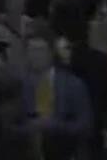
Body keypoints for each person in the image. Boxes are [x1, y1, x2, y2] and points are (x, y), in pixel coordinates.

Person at [22, 31, 94, 160]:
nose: (35, 55)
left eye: (40, 50)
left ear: (51, 53)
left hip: (64, 149)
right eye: (31, 50)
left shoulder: (73, 84)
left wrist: (54, 125)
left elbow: (85, 125)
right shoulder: (22, 85)